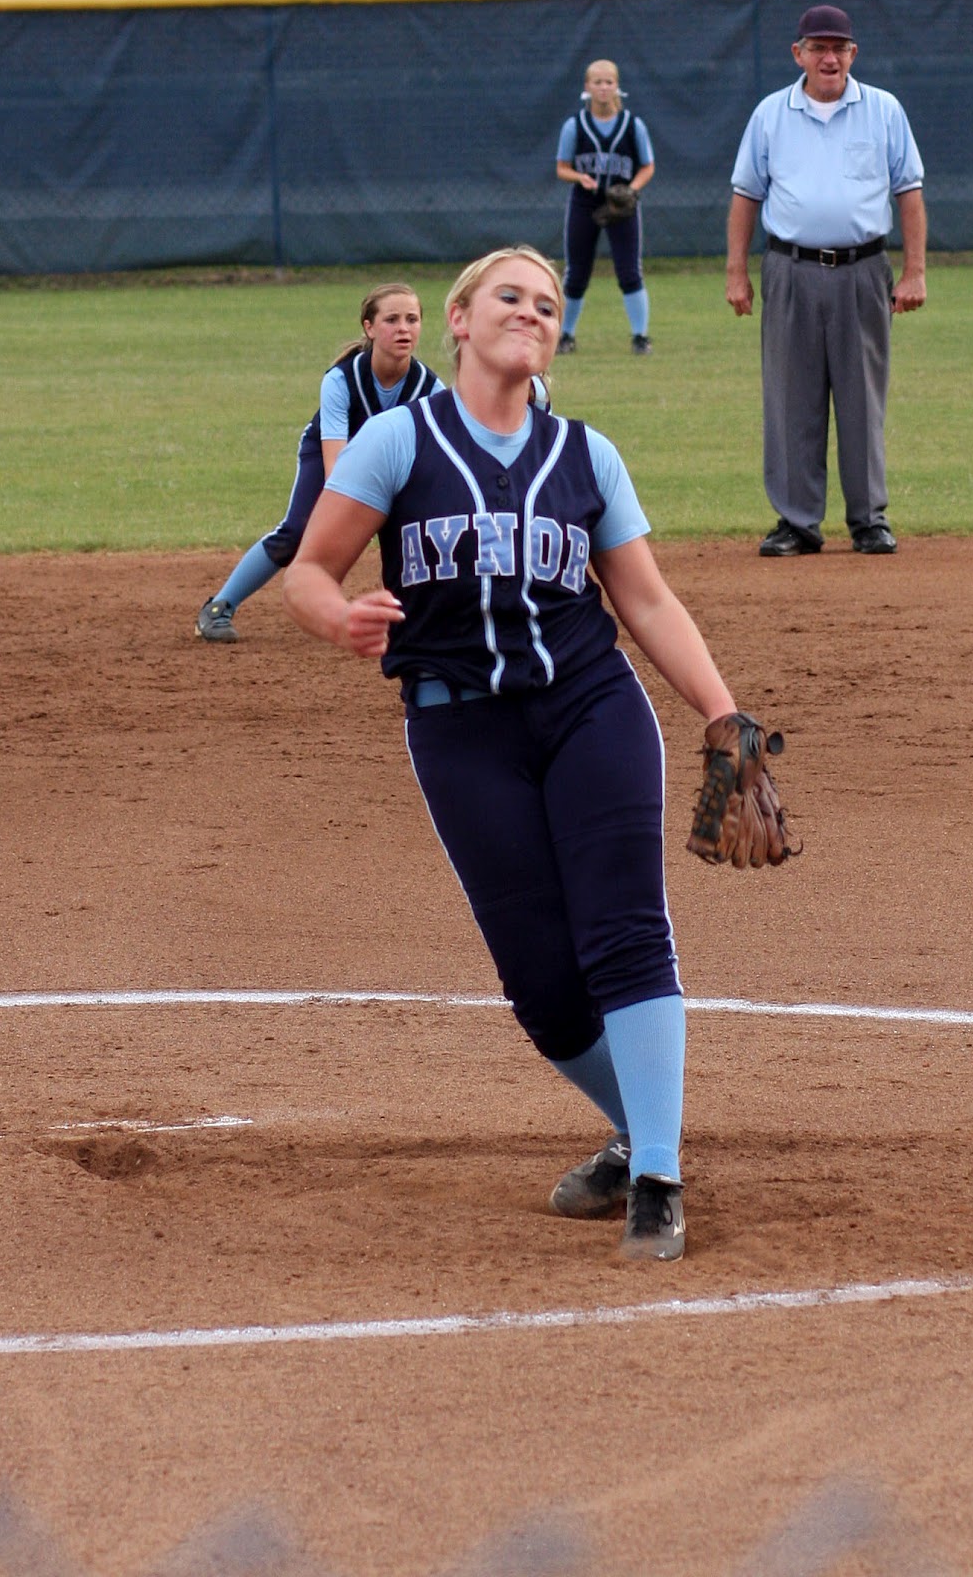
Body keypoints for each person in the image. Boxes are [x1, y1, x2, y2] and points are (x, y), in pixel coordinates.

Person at [283, 245, 745, 1263]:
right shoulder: (398, 445)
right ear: (458, 318)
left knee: (626, 931)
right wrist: (337, 619)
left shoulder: (587, 455)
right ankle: (640, 1131)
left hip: (590, 706)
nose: (531, 312)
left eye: (546, 302)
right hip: (460, 729)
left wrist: (720, 712)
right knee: (541, 983)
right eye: (510, 296)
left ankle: (659, 1177)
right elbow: (312, 568)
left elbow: (645, 598)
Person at [726, 4, 926, 558]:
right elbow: (746, 194)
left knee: (863, 397)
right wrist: (736, 271)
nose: (829, 57)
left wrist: (914, 271)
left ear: (853, 54)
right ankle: (796, 521)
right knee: (791, 398)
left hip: (863, 269)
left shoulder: (883, 110)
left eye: (839, 47)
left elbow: (908, 192)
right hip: (789, 269)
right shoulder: (770, 114)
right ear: (799, 54)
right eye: (818, 47)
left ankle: (868, 519)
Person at [195, 283, 445, 643]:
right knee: (297, 532)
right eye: (391, 319)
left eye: (412, 319)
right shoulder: (341, 380)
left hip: (393, 463)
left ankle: (428, 620)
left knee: (420, 533)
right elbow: (336, 467)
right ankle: (219, 606)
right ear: (369, 327)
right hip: (330, 455)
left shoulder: (430, 387)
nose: (404, 328)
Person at [554, 59, 656, 356]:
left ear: (617, 86)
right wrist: (579, 177)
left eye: (608, 81)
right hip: (584, 202)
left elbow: (648, 167)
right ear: (587, 87)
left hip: (622, 206)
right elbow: (562, 168)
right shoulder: (575, 125)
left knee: (629, 272)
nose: (603, 87)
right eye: (597, 82)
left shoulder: (632, 125)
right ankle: (566, 335)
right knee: (576, 273)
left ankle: (640, 336)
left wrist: (631, 190)